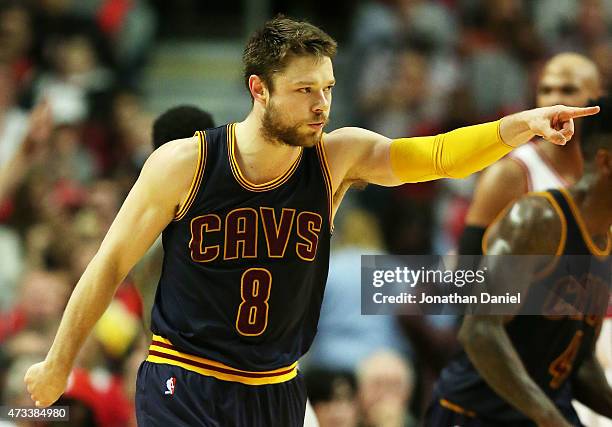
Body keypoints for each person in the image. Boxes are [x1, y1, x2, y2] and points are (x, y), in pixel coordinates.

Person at [24, 16, 599, 426]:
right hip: (186, 378)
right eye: (304, 91)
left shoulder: (337, 156)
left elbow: (438, 156)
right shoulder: (185, 163)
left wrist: (522, 123)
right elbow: (109, 266)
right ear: (259, 90)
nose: (322, 105)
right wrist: (58, 362)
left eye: (326, 88)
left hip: (277, 386)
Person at [426, 97, 612, 427]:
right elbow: (479, 330)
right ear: (606, 162)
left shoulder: (605, 241)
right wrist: (551, 421)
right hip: (475, 413)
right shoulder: (537, 220)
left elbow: (577, 363)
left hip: (542, 409)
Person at [459, 52, 602, 255]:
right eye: (546, 90)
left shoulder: (604, 169)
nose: (555, 100)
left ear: (597, 97)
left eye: (568, 90)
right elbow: (468, 267)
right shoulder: (510, 173)